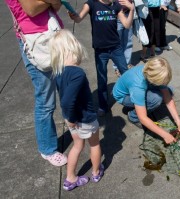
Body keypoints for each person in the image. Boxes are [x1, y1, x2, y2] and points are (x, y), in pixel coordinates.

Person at [5, 0, 67, 166]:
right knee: (46, 100)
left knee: (66, 86)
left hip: (52, 34)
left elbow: (57, 5)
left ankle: (73, 125)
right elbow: (31, 9)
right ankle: (47, 149)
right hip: (36, 42)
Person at [49, 29, 104, 191]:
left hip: (71, 119)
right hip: (84, 118)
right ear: (74, 49)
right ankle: (95, 172)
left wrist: (69, 119)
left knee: (77, 146)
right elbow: (67, 101)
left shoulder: (58, 72)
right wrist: (72, 118)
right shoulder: (78, 74)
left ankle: (70, 178)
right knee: (94, 144)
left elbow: (65, 99)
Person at [69, 0, 135, 116]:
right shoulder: (92, 4)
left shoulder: (116, 5)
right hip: (100, 50)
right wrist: (73, 15)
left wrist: (132, 9)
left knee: (126, 74)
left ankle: (133, 100)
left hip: (116, 48)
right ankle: (103, 106)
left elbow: (127, 24)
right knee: (102, 79)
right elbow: (78, 19)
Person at [113, 57, 180, 144]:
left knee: (169, 90)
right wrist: (165, 135)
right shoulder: (138, 86)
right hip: (124, 96)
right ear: (152, 79)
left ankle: (144, 104)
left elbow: (168, 98)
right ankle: (133, 116)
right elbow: (142, 118)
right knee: (156, 99)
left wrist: (177, 120)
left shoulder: (153, 69)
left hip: (138, 87)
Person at [112, 0, 134, 77]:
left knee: (128, 42)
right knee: (117, 43)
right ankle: (117, 67)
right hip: (117, 15)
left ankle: (127, 63)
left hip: (129, 13)